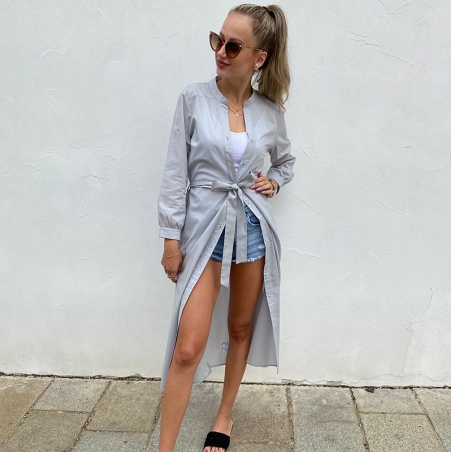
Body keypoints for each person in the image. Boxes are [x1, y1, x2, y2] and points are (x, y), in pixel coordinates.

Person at [157, 4, 296, 451]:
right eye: (218, 40)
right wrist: (170, 239)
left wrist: (274, 181)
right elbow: (175, 173)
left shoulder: (269, 112)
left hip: (252, 227)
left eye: (233, 46)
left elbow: (286, 161)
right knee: (187, 347)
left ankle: (224, 416)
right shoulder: (193, 99)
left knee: (240, 328)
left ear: (259, 57)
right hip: (204, 230)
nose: (220, 51)